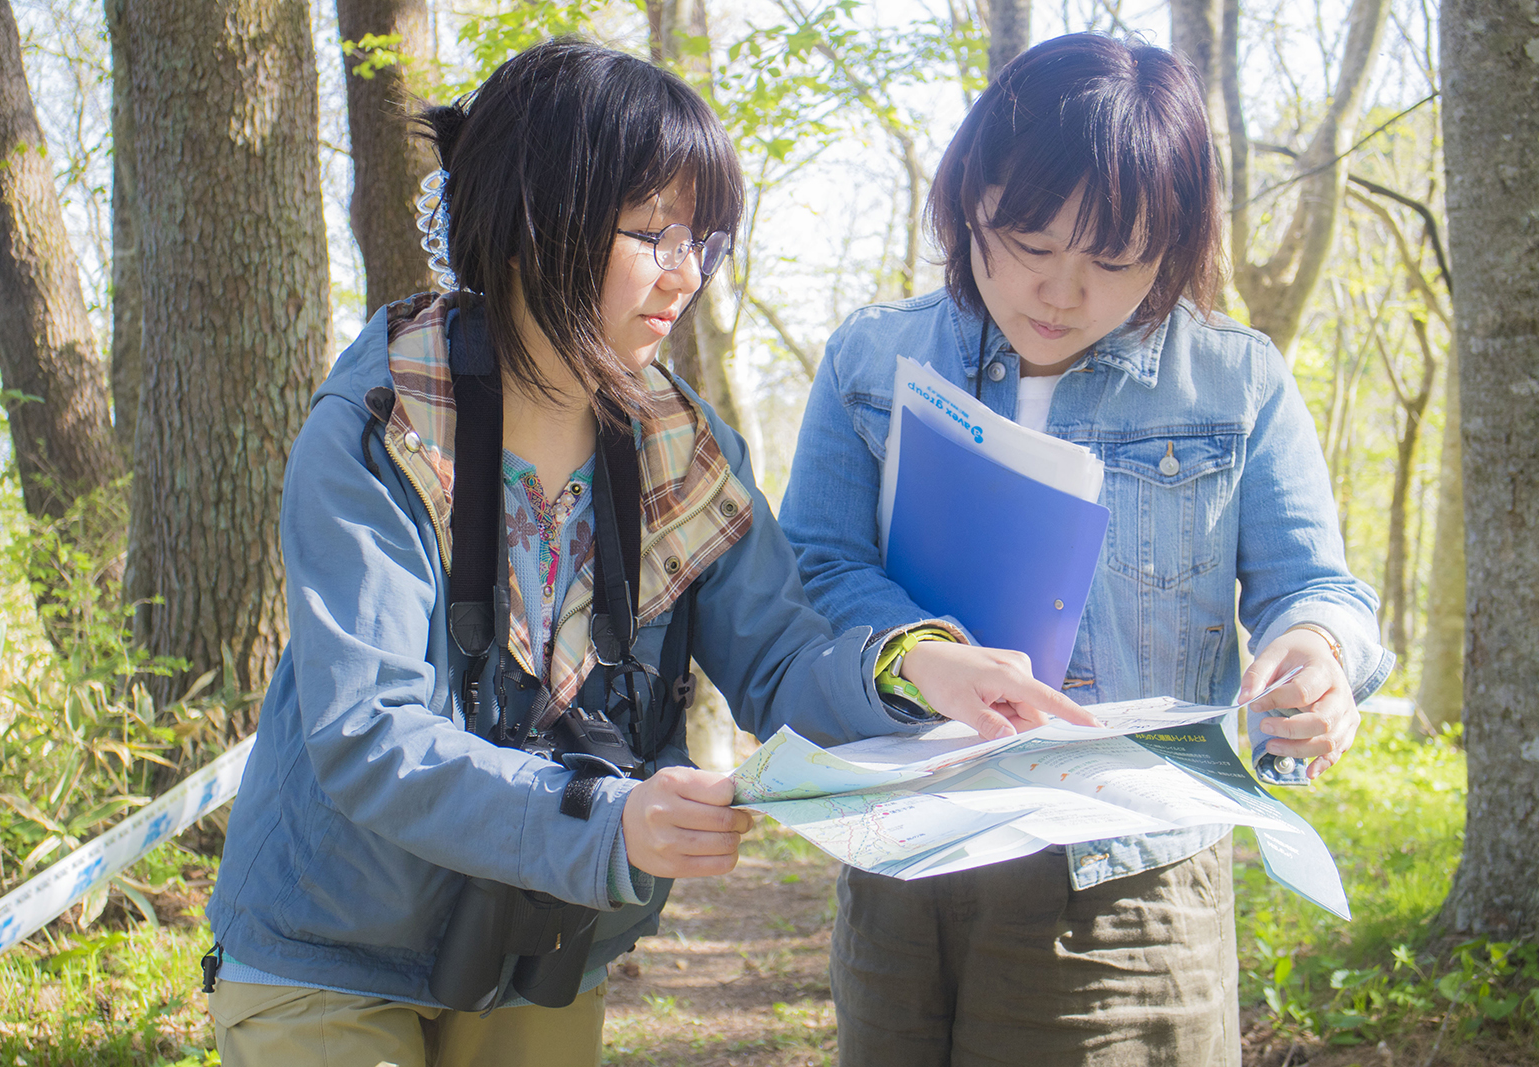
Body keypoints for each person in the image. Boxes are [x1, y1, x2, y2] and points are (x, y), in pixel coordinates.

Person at [202, 38, 1095, 1067]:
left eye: (704, 241)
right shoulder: (382, 425)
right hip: (331, 944)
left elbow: (778, 662)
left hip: (537, 942)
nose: (687, 274)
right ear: (539, 220)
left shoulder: (683, 445)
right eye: (652, 233)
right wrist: (608, 819)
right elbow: (369, 731)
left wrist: (916, 664)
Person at [777, 32, 1394, 1067]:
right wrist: (920, 650)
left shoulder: (1231, 380)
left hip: (1126, 883)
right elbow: (815, 570)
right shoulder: (872, 357)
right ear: (969, 196)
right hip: (904, 865)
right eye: (1026, 241)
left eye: (1111, 260)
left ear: (1174, 244)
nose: (1060, 291)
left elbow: (1315, 585)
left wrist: (1320, 654)